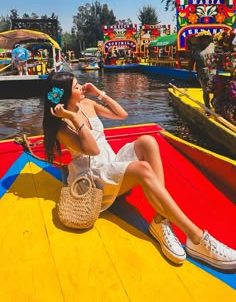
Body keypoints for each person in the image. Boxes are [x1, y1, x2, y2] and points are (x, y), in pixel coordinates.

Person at [43, 71, 236, 270]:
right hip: (94, 179)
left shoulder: (87, 104)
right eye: (76, 87)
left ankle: (161, 220)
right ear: (65, 94)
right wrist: (73, 117)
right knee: (143, 169)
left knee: (148, 142)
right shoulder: (61, 126)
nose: (81, 87)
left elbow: (121, 115)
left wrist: (99, 93)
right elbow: (93, 149)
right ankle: (196, 238)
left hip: (110, 162)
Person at [188, 33, 215, 109]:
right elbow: (192, 61)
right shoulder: (197, 49)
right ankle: (207, 106)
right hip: (201, 72)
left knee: (215, 89)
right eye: (202, 39)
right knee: (205, 90)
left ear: (209, 39)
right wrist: (189, 71)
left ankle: (214, 103)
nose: (204, 40)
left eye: (206, 38)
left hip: (213, 71)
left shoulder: (213, 46)